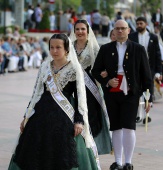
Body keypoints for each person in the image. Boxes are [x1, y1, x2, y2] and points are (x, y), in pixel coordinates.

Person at [8, 33, 100, 170]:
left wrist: (79, 121)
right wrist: (26, 116)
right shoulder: (45, 66)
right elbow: (36, 93)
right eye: (52, 47)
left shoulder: (74, 69)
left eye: (58, 47)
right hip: (41, 113)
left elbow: (81, 96)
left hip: (64, 115)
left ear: (67, 49)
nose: (54, 51)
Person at [92, 20, 153, 170]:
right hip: (112, 93)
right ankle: (118, 162)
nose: (120, 31)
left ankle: (128, 162)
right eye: (117, 29)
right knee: (116, 127)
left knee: (129, 126)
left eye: (123, 28)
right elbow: (95, 70)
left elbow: (146, 75)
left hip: (131, 93)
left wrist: (148, 99)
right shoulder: (105, 49)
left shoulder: (138, 49)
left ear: (128, 30)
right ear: (113, 31)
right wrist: (107, 81)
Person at [69, 19, 112, 155]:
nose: (80, 32)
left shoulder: (94, 47)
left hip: (90, 89)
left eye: (83, 29)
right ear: (74, 31)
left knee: (90, 117)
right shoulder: (68, 46)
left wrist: (105, 72)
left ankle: (91, 151)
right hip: (71, 87)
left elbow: (102, 67)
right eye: (77, 29)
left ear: (88, 31)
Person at [128, 16, 162, 124]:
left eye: (141, 23)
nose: (139, 25)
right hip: (135, 69)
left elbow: (157, 55)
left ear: (146, 24)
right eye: (137, 23)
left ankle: (147, 115)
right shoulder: (132, 36)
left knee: (148, 91)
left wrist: (158, 72)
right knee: (136, 91)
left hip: (149, 68)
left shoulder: (153, 37)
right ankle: (138, 115)